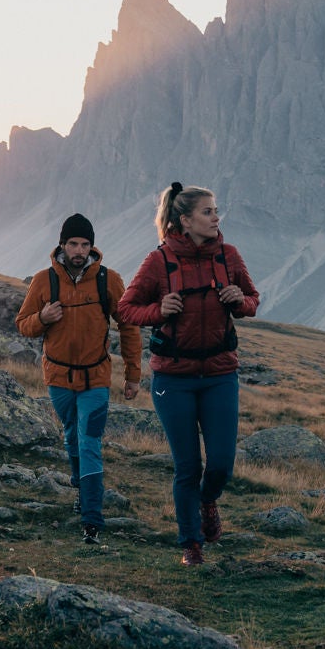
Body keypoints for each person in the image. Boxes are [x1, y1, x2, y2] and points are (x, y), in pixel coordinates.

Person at [117, 183, 259, 566]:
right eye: (208, 212)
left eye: (216, 211)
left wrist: (239, 300)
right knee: (187, 467)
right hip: (173, 379)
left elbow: (253, 300)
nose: (216, 218)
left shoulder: (229, 256)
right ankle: (191, 546)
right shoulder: (159, 261)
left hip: (220, 375)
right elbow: (126, 308)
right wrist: (159, 310)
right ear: (185, 220)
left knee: (221, 464)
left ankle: (208, 500)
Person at [16, 213, 142, 544]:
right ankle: (79, 484)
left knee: (89, 442)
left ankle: (91, 520)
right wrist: (43, 318)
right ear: (62, 245)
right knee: (72, 436)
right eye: (73, 244)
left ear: (92, 247)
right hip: (58, 376)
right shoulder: (43, 281)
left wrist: (133, 374)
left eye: (85, 245)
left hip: (96, 378)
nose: (79, 251)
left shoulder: (108, 280)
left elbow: (128, 325)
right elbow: (23, 324)